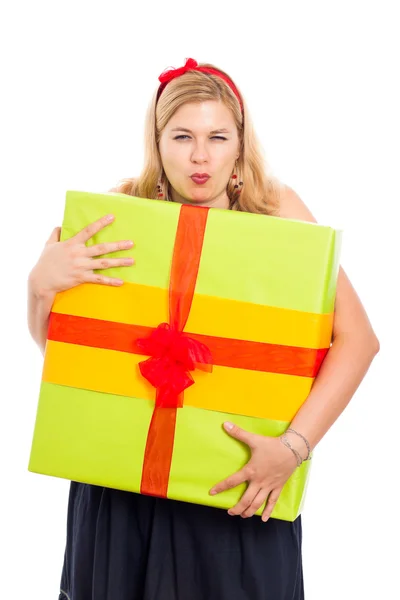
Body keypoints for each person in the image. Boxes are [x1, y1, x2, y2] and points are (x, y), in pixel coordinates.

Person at [27, 58, 380, 600]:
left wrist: (293, 447)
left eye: (217, 136)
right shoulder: (121, 215)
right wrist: (40, 288)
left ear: (240, 143)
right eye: (182, 136)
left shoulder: (278, 213)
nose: (199, 155)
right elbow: (71, 353)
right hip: (123, 491)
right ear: (157, 140)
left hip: (238, 481)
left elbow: (358, 341)